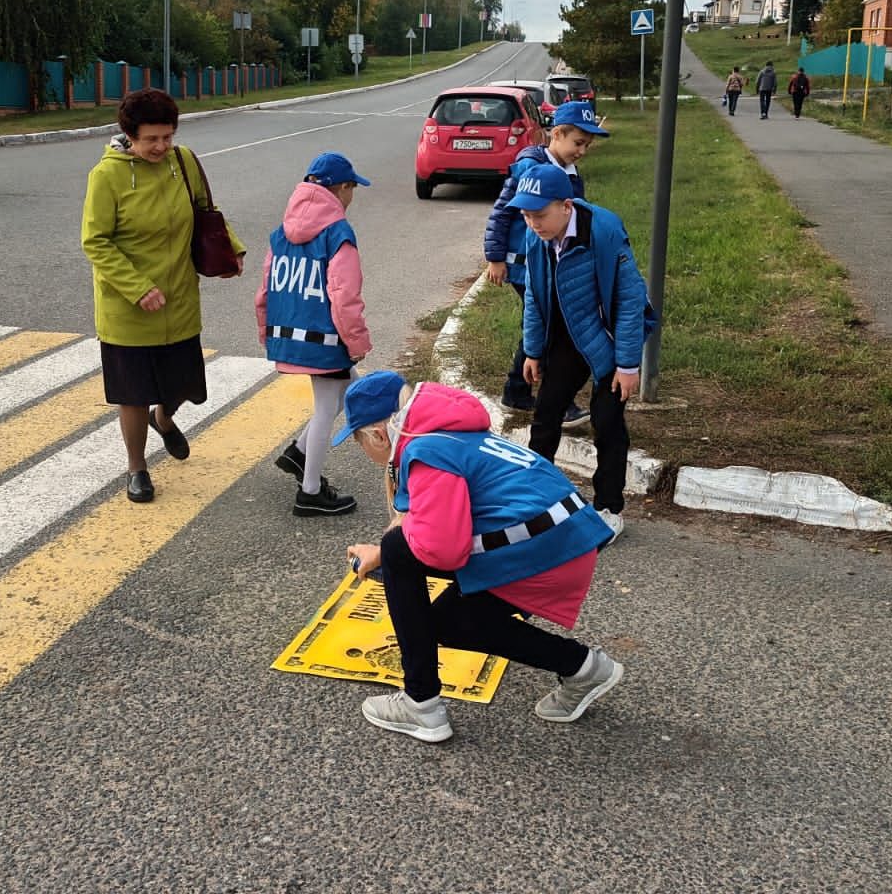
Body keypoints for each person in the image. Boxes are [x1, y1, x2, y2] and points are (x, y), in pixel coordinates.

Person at [334, 371, 623, 744]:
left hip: (544, 550)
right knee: (451, 621)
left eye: (359, 443)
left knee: (398, 554)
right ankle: (585, 668)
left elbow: (440, 548)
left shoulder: (426, 451)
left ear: (377, 434)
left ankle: (421, 703)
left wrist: (387, 556)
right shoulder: (448, 429)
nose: (365, 453)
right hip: (564, 539)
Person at [81, 88, 244, 505]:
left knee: (181, 384)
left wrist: (232, 250)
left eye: (167, 137)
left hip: (179, 299)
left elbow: (206, 210)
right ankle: (137, 468)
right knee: (132, 393)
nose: (161, 147)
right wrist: (138, 288)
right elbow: (96, 242)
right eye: (151, 139)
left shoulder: (183, 162)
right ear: (129, 136)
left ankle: (164, 417)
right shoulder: (107, 176)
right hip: (127, 309)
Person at [510, 163, 655, 543]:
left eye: (540, 214)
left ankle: (608, 508)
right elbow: (534, 298)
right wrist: (533, 350)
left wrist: (626, 364)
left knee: (607, 423)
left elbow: (629, 300)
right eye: (526, 215)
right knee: (545, 416)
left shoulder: (604, 232)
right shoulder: (535, 236)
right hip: (565, 336)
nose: (533, 223)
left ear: (566, 205)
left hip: (606, 339)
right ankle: (532, 501)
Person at [257, 151, 372, 517]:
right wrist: (356, 342)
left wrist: (267, 334)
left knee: (346, 394)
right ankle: (309, 492)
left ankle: (299, 454)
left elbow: (264, 291)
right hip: (325, 337)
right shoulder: (339, 233)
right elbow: (344, 295)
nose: (352, 197)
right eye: (352, 188)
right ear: (341, 188)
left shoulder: (280, 235)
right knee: (328, 406)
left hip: (288, 334)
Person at [483, 101, 608, 423]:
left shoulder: (570, 173)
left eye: (587, 146)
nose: (582, 151)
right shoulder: (530, 166)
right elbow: (502, 212)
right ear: (557, 134)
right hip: (525, 264)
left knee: (542, 325)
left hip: (551, 264)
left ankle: (516, 391)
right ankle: (557, 400)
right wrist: (495, 257)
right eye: (578, 143)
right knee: (550, 326)